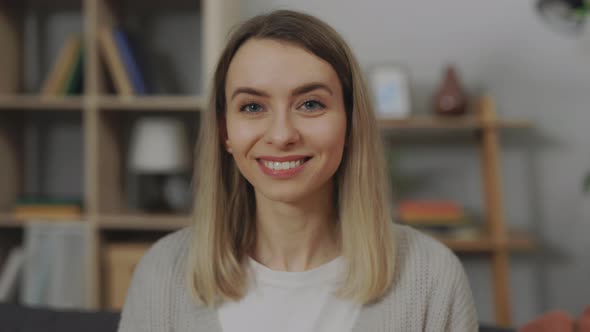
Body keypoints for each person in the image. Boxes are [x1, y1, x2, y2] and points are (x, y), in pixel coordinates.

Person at [118, 10, 478, 332]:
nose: (282, 135)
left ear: (351, 123)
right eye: (253, 106)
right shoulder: (162, 274)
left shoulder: (429, 277)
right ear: (225, 131)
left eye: (310, 104)